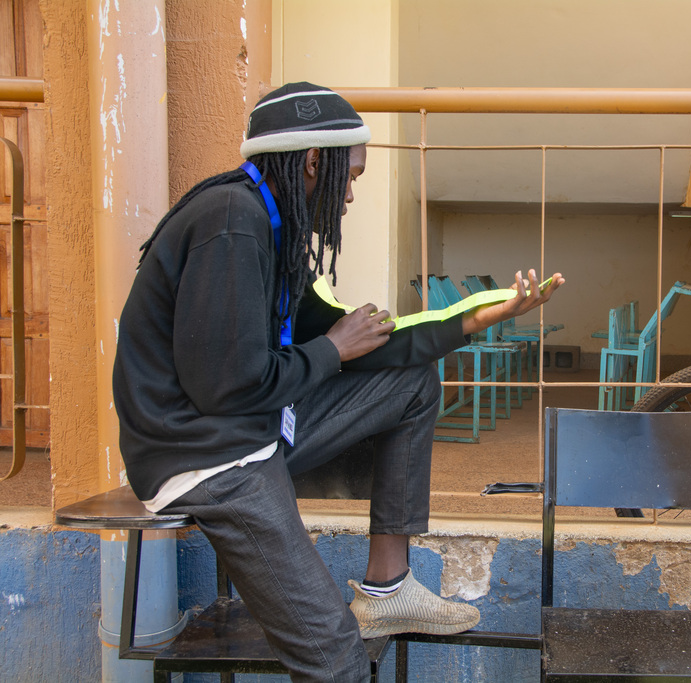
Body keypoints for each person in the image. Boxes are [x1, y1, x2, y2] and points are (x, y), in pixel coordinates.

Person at [112, 82, 564, 683]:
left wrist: (478, 318)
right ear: (312, 162)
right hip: (204, 458)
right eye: (350, 176)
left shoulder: (273, 228)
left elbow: (360, 341)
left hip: (250, 430)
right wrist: (330, 350)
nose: (350, 195)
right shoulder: (232, 220)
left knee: (411, 383)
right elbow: (226, 386)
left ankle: (388, 588)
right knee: (336, 658)